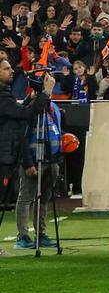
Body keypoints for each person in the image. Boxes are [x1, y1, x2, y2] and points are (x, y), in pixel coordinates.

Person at [9, 66, 55, 252]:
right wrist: (27, 162)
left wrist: (56, 160)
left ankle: (41, 233)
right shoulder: (27, 108)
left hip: (50, 160)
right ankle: (23, 236)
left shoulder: (53, 109)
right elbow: (21, 137)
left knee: (43, 199)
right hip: (32, 159)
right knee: (26, 197)